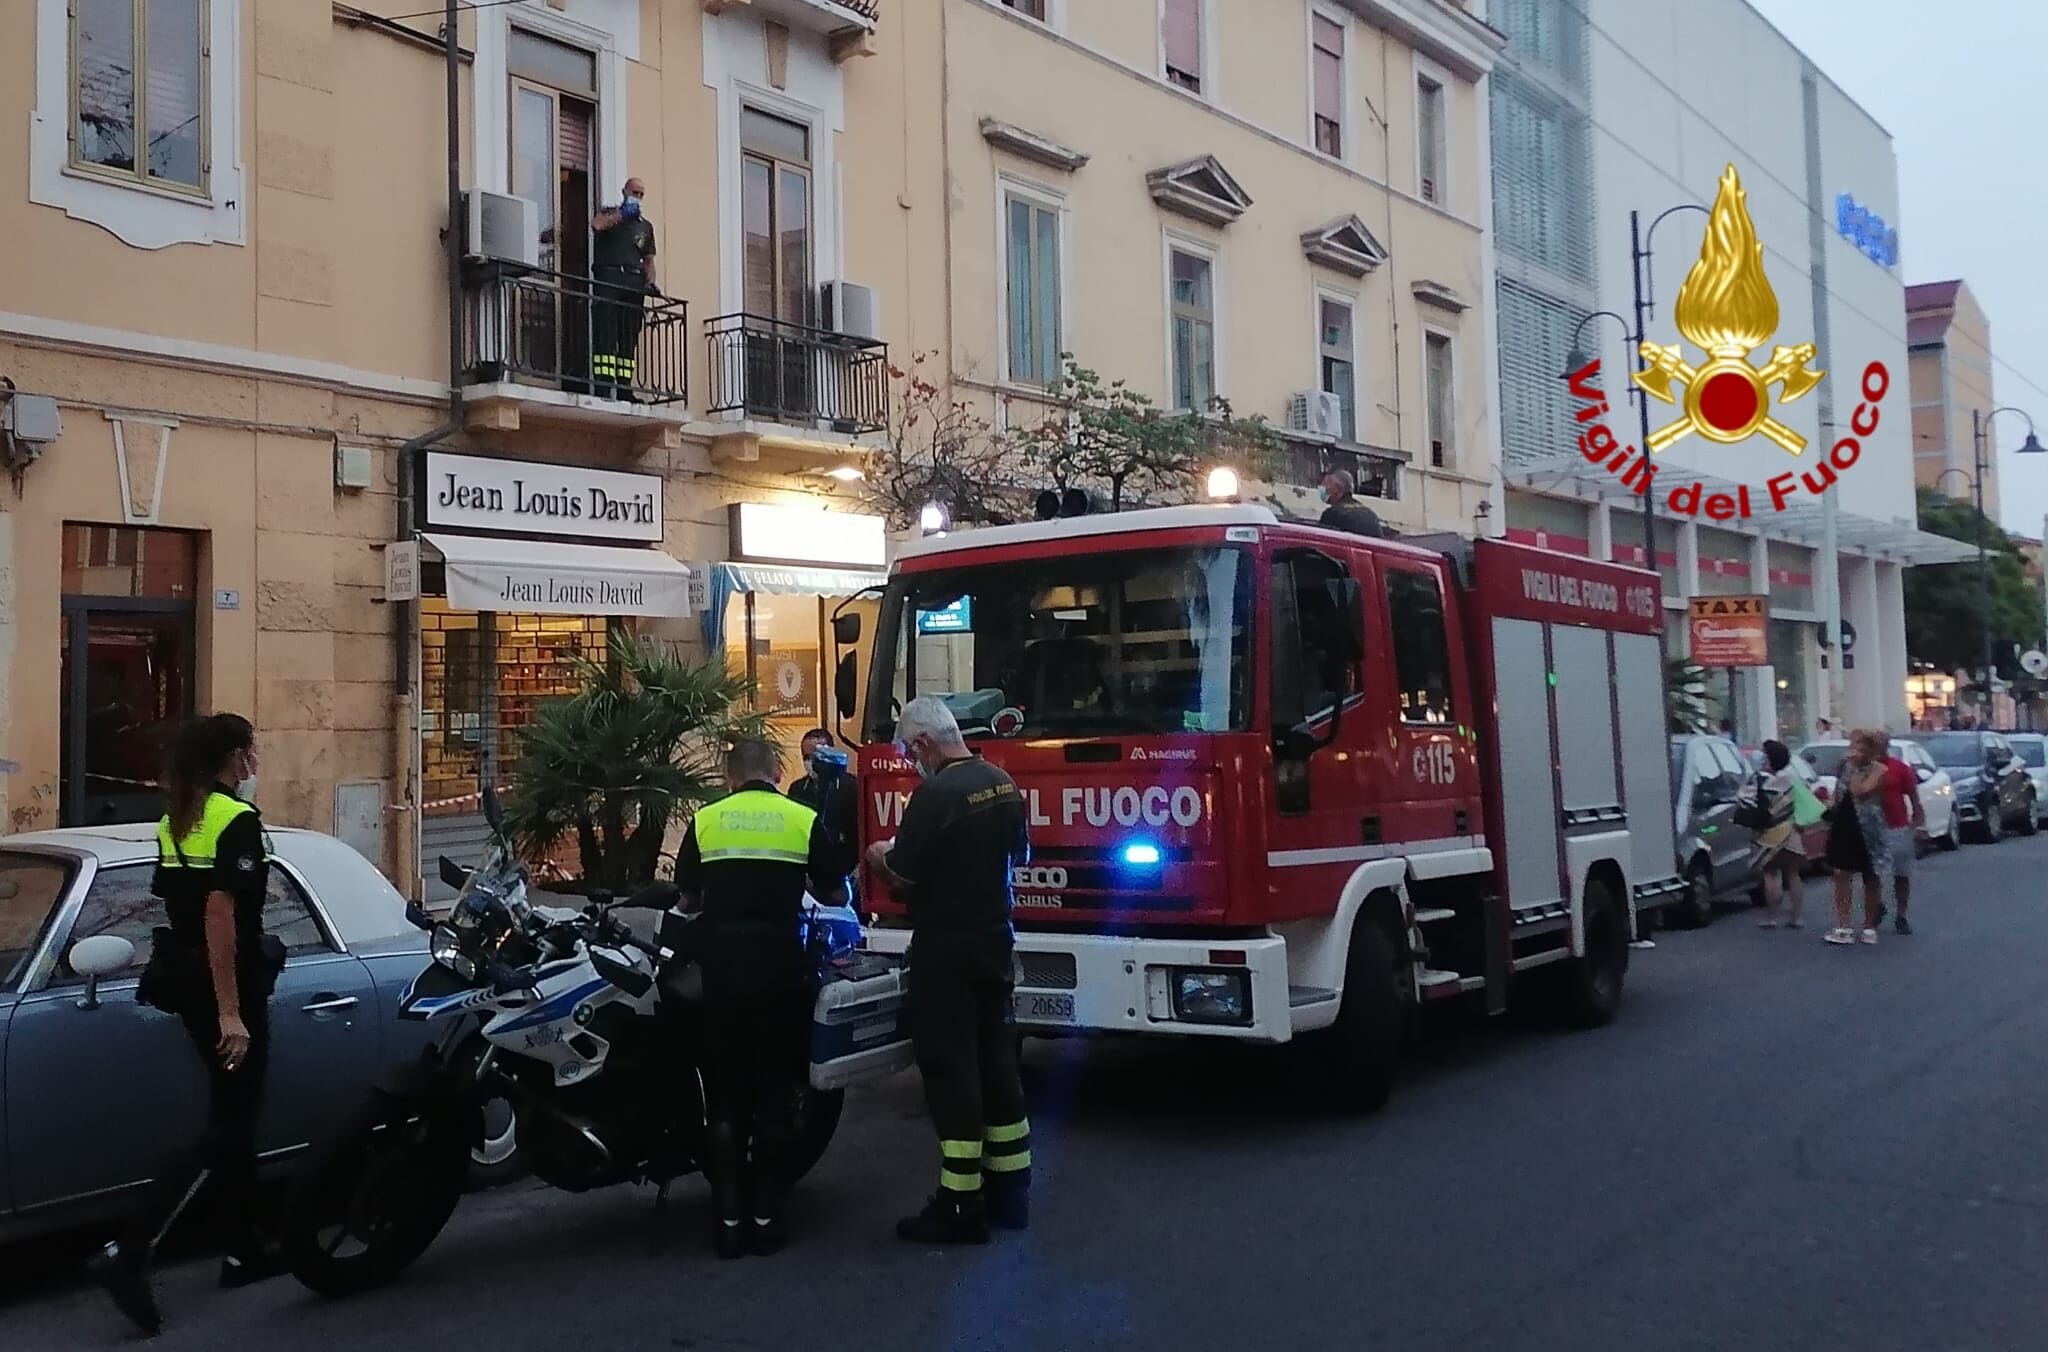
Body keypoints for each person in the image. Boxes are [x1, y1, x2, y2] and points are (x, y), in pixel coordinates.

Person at [92, 714, 281, 1335]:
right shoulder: (236, 820)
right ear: (233, 756)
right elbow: (220, 916)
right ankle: (129, 1251)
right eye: (250, 748)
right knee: (228, 1125)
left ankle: (242, 1250)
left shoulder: (181, 819)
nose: (256, 758)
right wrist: (232, 1012)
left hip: (189, 983)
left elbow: (182, 899)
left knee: (235, 1115)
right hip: (226, 989)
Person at [864, 697, 1032, 1245]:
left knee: (951, 1070)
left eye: (909, 751)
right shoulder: (1001, 781)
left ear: (922, 744)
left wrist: (878, 856)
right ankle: (1011, 1193)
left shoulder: (935, 795)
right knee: (997, 1062)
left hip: (946, 947)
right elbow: (1019, 856)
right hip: (994, 938)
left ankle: (961, 1203)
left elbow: (904, 877)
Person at [673, 739, 846, 1259]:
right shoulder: (801, 817)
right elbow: (836, 894)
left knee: (724, 1097)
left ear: (729, 777)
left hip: (721, 969)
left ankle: (727, 1221)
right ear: (776, 772)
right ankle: (767, 1217)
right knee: (773, 1092)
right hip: (779, 968)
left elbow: (687, 899)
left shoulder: (707, 820)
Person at [590, 176, 659, 400]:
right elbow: (597, 225)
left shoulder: (645, 227)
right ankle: (603, 385)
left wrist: (650, 283)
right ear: (624, 192)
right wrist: (622, 215)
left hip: (633, 283)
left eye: (641, 194)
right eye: (634, 192)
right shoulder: (608, 213)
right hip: (609, 278)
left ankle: (624, 388)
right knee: (606, 333)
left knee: (628, 336)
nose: (637, 197)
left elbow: (648, 260)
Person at [1823, 727, 1892, 946]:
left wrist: (1854, 769)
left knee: (1871, 874)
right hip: (1845, 822)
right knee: (1841, 872)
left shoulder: (1879, 770)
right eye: (1852, 745)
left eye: (1860, 747)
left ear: (1871, 750)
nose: (1853, 751)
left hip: (1869, 828)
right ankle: (1843, 925)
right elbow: (1838, 791)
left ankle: (1869, 926)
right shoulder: (1843, 765)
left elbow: (1860, 791)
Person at [1752, 740, 1808, 929]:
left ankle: (1771, 917)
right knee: (1793, 873)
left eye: (1764, 756)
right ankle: (1796, 917)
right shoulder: (1793, 779)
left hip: (1771, 832)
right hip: (1791, 829)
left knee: (1770, 873)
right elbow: (1806, 802)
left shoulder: (1766, 781)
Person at [1875, 739, 1925, 934]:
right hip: (1873, 828)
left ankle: (1901, 915)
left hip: (1898, 826)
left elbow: (1913, 794)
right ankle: (1877, 905)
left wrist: (1918, 820)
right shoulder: (1864, 770)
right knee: (1872, 872)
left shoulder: (1899, 768)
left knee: (1901, 874)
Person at [1317, 469, 1385, 537]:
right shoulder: (1369, 513)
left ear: (1336, 488)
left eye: (1324, 485)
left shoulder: (1331, 514)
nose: (1321, 488)